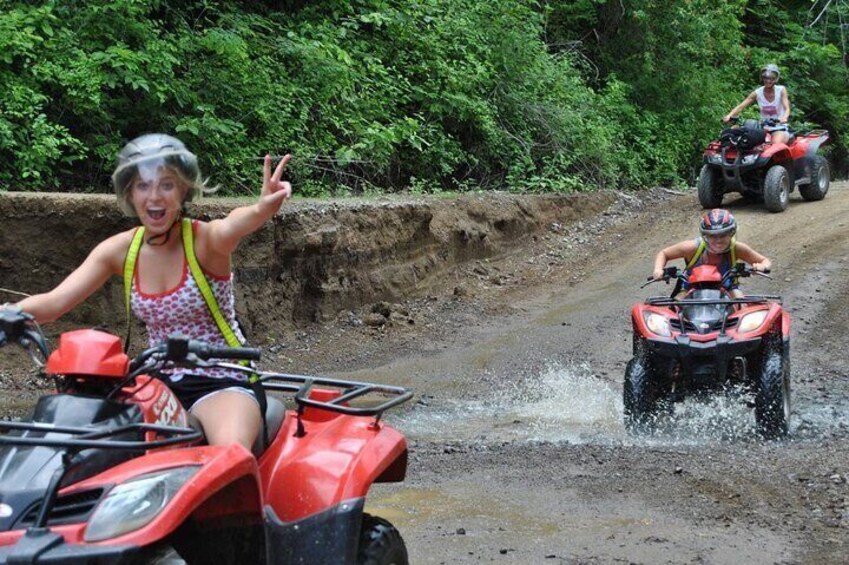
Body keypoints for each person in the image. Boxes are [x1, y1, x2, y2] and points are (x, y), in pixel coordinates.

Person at [10, 133, 292, 452]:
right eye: (143, 185)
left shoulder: (204, 240)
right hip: (155, 381)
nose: (154, 196)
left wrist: (260, 209)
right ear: (130, 192)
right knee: (100, 449)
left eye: (166, 185)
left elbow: (232, 225)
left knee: (228, 458)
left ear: (183, 190)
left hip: (223, 379)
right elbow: (53, 303)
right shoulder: (120, 249)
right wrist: (9, 315)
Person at [652, 209, 771, 299]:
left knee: (742, 310)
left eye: (723, 234)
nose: (718, 240)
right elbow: (664, 253)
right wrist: (658, 270)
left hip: (727, 288)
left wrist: (761, 266)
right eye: (713, 236)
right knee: (672, 314)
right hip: (690, 289)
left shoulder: (737, 249)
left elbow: (765, 261)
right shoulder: (692, 248)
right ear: (705, 236)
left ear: (731, 233)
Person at [723, 63, 791, 145]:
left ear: (776, 79)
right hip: (762, 128)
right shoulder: (757, 93)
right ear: (762, 78)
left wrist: (784, 118)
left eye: (771, 78)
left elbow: (786, 108)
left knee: (775, 145)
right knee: (745, 141)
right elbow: (741, 106)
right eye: (766, 78)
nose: (768, 81)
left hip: (779, 127)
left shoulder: (781, 90)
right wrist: (729, 115)